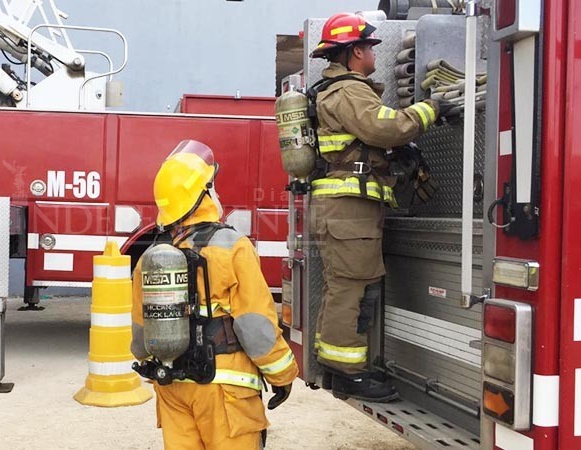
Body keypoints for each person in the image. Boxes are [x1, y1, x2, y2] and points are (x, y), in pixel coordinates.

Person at [308, 12, 443, 402]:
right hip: (347, 211)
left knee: (345, 287)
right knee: (349, 288)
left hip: (346, 210)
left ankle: (339, 367)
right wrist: (430, 109)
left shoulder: (338, 90)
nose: (372, 54)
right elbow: (385, 128)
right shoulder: (349, 90)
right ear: (354, 53)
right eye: (368, 47)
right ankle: (348, 373)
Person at [131, 140, 298, 449]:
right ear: (203, 195)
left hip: (172, 387)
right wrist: (282, 375)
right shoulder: (232, 246)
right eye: (212, 187)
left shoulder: (151, 258)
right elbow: (256, 326)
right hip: (225, 389)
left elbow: (141, 339)